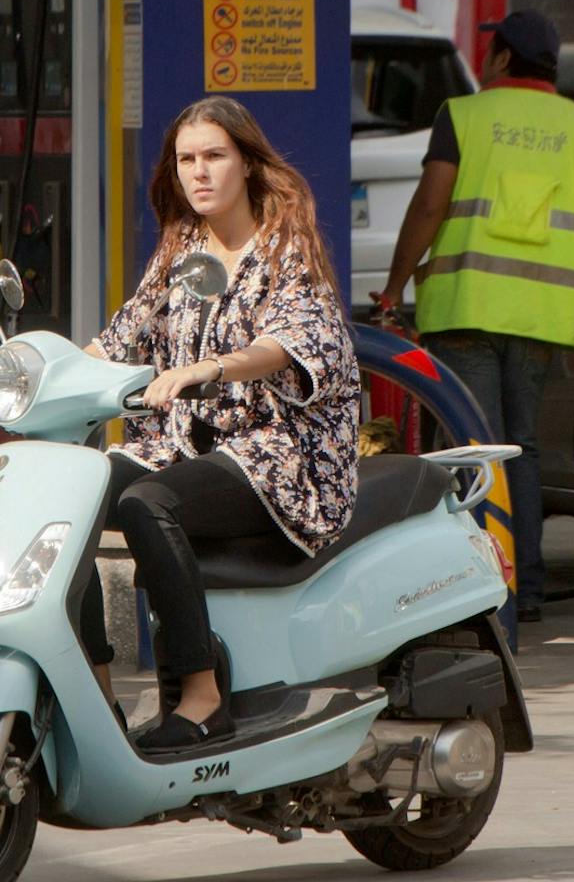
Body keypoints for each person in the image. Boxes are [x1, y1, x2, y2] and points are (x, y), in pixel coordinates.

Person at [376, 9, 574, 624]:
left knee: (474, 450)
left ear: (499, 58)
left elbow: (429, 204)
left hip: (466, 310)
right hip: (542, 317)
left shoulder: (463, 116)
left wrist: (393, 287)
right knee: (519, 450)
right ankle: (524, 592)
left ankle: (476, 593)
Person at [76, 96, 361, 749]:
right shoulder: (185, 250)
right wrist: (31, 371)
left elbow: (291, 341)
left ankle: (202, 697)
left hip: (277, 454)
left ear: (246, 163)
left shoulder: (284, 247)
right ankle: (96, 693)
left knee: (148, 504)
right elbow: (118, 339)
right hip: (185, 445)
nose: (198, 172)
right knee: (72, 493)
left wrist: (213, 367)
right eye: (186, 159)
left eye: (213, 156)